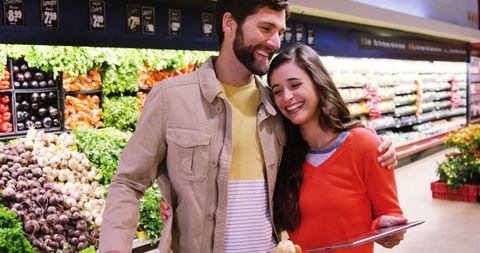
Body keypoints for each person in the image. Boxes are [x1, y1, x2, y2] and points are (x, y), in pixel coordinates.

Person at [99, 1, 397, 252]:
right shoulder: (170, 98)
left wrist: (370, 141)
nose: (276, 42)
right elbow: (128, 183)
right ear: (229, 24)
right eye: (266, 28)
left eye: (280, 32)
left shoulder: (277, 106)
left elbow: (325, 147)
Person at [268, 44, 407, 253]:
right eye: (277, 91)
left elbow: (391, 214)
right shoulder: (282, 152)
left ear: (318, 83)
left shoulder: (365, 145)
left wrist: (387, 229)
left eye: (295, 85)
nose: (286, 97)